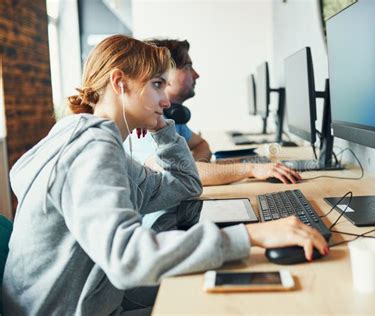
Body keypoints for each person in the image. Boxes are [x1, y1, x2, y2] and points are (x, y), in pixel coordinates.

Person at [2, 35, 328, 315]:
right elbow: (128, 259)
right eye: (157, 84)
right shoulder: (92, 147)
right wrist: (253, 235)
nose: (167, 98)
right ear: (119, 82)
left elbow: (184, 185)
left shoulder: (94, 141)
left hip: (97, 299)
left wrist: (163, 129)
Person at [128, 38, 302, 186]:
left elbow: (201, 146)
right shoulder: (145, 124)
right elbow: (183, 172)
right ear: (167, 73)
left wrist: (196, 166)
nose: (196, 74)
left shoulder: (172, 118)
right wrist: (252, 168)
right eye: (188, 66)